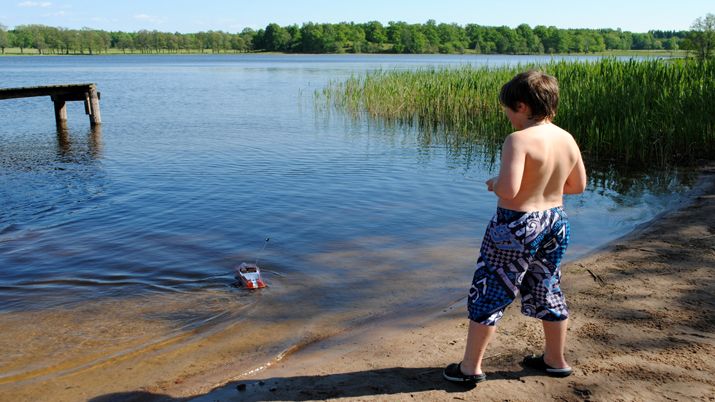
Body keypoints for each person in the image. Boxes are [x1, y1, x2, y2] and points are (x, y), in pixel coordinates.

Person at [443, 70, 587, 384]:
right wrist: (544, 187)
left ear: (521, 106)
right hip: (555, 222)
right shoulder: (566, 138)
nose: (507, 116)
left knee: (491, 291)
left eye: (507, 109)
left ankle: (470, 368)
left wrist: (495, 182)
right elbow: (577, 186)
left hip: (516, 226)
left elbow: (509, 190)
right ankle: (555, 359)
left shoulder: (518, 139)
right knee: (546, 286)